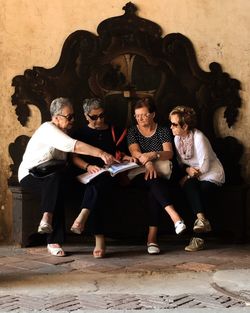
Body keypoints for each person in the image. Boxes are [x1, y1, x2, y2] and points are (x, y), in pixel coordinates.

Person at [18, 97, 116, 257]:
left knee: (93, 183)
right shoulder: (48, 128)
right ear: (56, 117)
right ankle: (51, 235)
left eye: (73, 116)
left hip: (52, 176)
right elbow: (74, 146)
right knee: (55, 181)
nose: (72, 120)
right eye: (68, 117)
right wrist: (101, 153)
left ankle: (52, 221)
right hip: (31, 176)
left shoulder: (65, 132)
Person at [70, 98, 136, 258]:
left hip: (110, 174)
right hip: (87, 174)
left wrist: (127, 158)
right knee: (96, 188)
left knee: (99, 183)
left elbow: (121, 153)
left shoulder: (115, 131)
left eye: (101, 115)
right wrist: (87, 166)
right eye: (94, 117)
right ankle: (99, 238)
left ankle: (83, 216)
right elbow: (74, 158)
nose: (99, 120)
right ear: (86, 116)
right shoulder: (80, 133)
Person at [127, 97, 186, 255]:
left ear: (153, 114)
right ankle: (174, 218)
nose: (140, 119)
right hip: (139, 172)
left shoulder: (163, 130)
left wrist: (153, 155)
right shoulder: (132, 131)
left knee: (153, 184)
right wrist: (148, 163)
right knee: (153, 180)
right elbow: (135, 152)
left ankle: (152, 238)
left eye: (144, 115)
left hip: (162, 171)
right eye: (137, 115)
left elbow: (168, 153)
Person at [169, 105, 225, 252]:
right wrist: (187, 170)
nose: (171, 127)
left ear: (185, 125)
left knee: (202, 190)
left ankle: (198, 238)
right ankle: (202, 220)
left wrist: (187, 175)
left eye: (174, 124)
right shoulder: (176, 139)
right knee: (189, 186)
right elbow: (182, 163)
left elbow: (205, 167)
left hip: (211, 173)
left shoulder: (199, 137)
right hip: (194, 173)